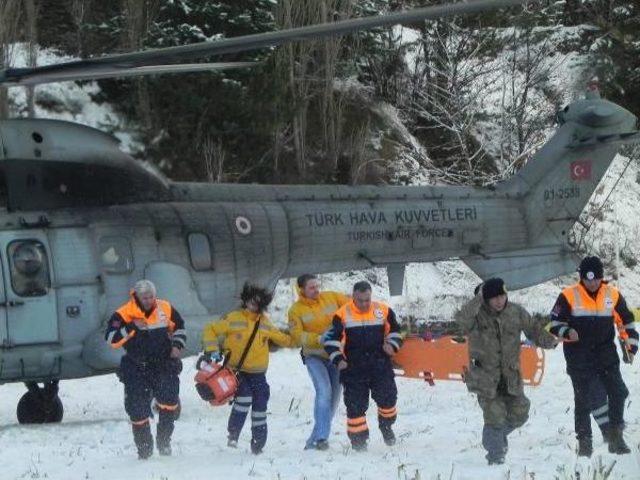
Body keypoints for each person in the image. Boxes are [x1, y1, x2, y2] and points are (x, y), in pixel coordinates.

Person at [455, 278, 558, 465]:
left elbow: (533, 329)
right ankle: (496, 458)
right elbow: (460, 322)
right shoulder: (476, 315)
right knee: (495, 416)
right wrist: (478, 299)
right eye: (494, 297)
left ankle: (495, 437)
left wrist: (549, 340)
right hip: (485, 377)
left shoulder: (516, 312)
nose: (499, 300)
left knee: (521, 412)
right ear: (485, 299)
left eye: (502, 295)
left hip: (511, 376)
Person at [547, 256, 637, 456]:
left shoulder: (612, 294)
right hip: (579, 356)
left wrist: (630, 345)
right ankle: (585, 443)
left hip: (606, 354)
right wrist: (567, 332)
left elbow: (626, 322)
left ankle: (615, 436)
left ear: (602, 278)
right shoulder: (568, 295)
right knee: (583, 401)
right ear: (581, 278)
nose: (592, 283)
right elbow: (554, 323)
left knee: (619, 392)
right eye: (588, 279)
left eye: (596, 279)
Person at [201, 283, 291, 454]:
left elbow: (284, 339)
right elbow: (210, 329)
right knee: (244, 397)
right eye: (251, 301)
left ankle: (258, 443)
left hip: (258, 374)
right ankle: (233, 434)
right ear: (246, 300)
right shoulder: (234, 318)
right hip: (236, 371)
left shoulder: (265, 323)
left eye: (258, 302)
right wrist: (212, 350)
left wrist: (300, 337)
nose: (254, 305)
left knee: (260, 404)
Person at [105, 279, 186, 459]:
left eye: (151, 297)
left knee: (169, 403)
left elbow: (180, 327)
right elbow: (111, 339)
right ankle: (145, 450)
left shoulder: (165, 307)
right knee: (137, 409)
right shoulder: (124, 313)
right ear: (137, 296)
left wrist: (176, 347)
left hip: (163, 363)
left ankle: (164, 441)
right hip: (136, 366)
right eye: (145, 297)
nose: (149, 300)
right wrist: (132, 327)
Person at [323, 281, 402, 451]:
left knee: (388, 399)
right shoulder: (342, 315)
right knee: (355, 406)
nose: (365, 304)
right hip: (353, 368)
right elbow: (330, 340)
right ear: (353, 297)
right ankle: (358, 443)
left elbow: (396, 331)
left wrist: (392, 345)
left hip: (379, 365)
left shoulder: (383, 310)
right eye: (361, 300)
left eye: (368, 299)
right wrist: (339, 360)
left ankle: (386, 427)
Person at [288, 274, 349, 450]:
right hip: (314, 357)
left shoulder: (331, 297)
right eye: (312, 288)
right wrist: (318, 338)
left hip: (336, 355)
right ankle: (322, 438)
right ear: (302, 290)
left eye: (317, 286)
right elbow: (297, 336)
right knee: (324, 390)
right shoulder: (295, 311)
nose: (316, 290)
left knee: (334, 399)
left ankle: (313, 441)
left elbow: (351, 308)